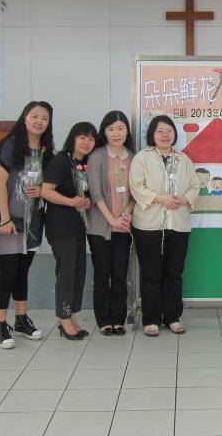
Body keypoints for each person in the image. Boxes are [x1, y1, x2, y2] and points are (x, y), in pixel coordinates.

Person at [129, 115, 199, 337]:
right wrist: (161, 199)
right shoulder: (142, 158)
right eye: (160, 131)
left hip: (178, 224)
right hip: (148, 225)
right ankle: (151, 319)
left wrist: (184, 199)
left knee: (174, 273)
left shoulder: (183, 159)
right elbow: (136, 186)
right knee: (151, 273)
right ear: (152, 134)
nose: (165, 135)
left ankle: (172, 317)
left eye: (169, 130)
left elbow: (195, 186)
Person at [0, 101, 54, 348]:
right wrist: (5, 217)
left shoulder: (46, 150)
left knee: (22, 273)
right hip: (10, 221)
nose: (39, 121)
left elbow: (48, 185)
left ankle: (21, 319)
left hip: (33, 222)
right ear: (25, 117)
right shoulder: (10, 145)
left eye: (44, 118)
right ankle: (0, 324)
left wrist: (42, 189)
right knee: (7, 273)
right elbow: (0, 184)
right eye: (35, 116)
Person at [41, 122, 97, 341]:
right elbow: (46, 191)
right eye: (82, 137)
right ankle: (64, 319)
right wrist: (71, 201)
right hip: (61, 227)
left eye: (91, 139)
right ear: (73, 138)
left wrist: (85, 201)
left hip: (78, 227)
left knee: (77, 273)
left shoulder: (83, 164)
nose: (86, 142)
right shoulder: (61, 161)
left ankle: (71, 317)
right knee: (66, 274)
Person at [86, 111, 135, 336]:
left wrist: (126, 214)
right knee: (102, 273)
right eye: (111, 129)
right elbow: (96, 194)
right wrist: (112, 219)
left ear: (127, 131)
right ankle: (103, 319)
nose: (116, 133)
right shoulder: (96, 156)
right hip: (100, 227)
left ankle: (119, 318)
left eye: (120, 128)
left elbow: (136, 192)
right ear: (104, 132)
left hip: (124, 226)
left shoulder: (133, 157)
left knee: (120, 274)